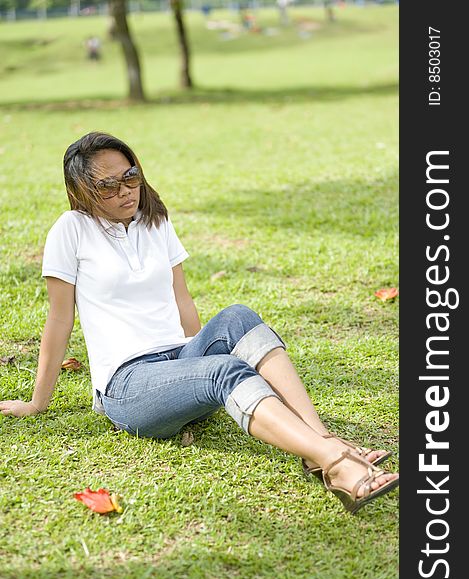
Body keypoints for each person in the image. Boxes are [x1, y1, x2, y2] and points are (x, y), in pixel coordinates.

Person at [0, 131, 399, 515]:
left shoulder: (154, 221)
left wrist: (196, 364)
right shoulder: (71, 230)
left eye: (130, 176)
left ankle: (322, 438)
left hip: (177, 365)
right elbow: (59, 319)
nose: (125, 191)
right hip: (129, 385)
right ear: (83, 191)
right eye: (108, 186)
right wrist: (38, 403)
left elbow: (181, 297)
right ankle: (333, 460)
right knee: (223, 370)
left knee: (238, 316)